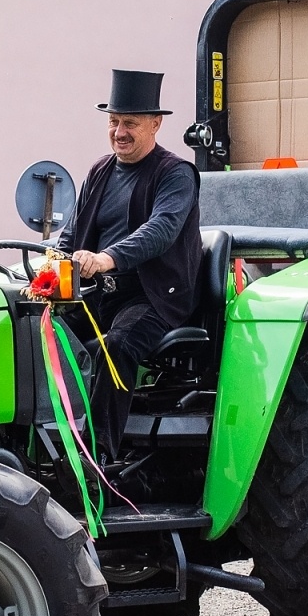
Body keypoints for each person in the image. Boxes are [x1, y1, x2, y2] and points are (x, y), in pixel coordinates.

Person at [57, 69, 202, 461]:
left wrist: (108, 258)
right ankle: (41, 444)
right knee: (33, 333)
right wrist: (50, 264)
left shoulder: (175, 174)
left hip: (152, 299)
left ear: (155, 124)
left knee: (113, 347)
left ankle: (97, 460)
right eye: (114, 121)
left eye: (130, 123)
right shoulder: (99, 171)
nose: (119, 131)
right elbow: (71, 235)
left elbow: (161, 229)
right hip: (96, 296)